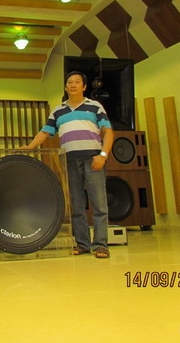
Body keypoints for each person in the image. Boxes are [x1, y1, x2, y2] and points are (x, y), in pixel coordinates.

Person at [21, 71, 114, 258]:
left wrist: (103, 155)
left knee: (99, 204)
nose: (73, 85)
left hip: (93, 159)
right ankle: (82, 244)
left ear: (84, 87)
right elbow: (45, 132)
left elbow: (108, 132)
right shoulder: (58, 111)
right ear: (65, 87)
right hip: (69, 161)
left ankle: (101, 245)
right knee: (76, 205)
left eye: (77, 82)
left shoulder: (95, 106)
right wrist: (30, 146)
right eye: (69, 82)